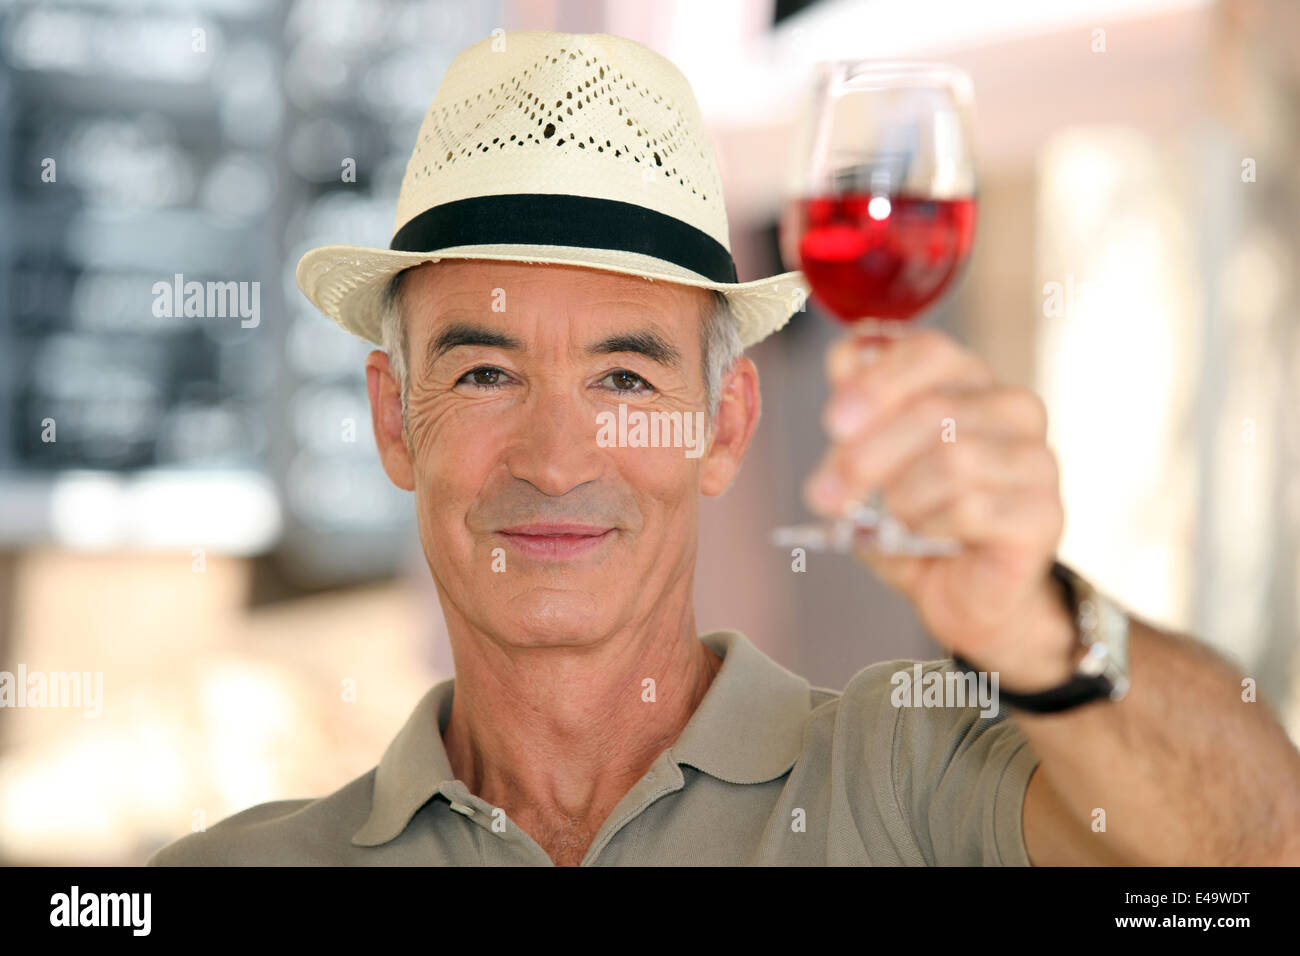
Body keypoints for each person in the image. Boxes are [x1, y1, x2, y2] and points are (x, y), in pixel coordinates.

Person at [148, 30, 1300, 867]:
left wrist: (1043, 632)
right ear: (395, 419)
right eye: (488, 372)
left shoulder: (902, 776)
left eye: (624, 375)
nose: (557, 456)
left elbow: (1254, 848)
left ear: (726, 423)